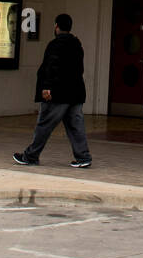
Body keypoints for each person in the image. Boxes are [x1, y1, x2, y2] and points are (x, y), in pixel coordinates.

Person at [14, 14, 92, 168]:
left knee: (44, 125)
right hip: (75, 93)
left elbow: (50, 67)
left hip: (58, 93)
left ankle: (30, 156)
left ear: (57, 26)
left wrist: (46, 88)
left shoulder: (55, 44)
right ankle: (83, 157)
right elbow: (79, 69)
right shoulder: (77, 45)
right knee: (76, 126)